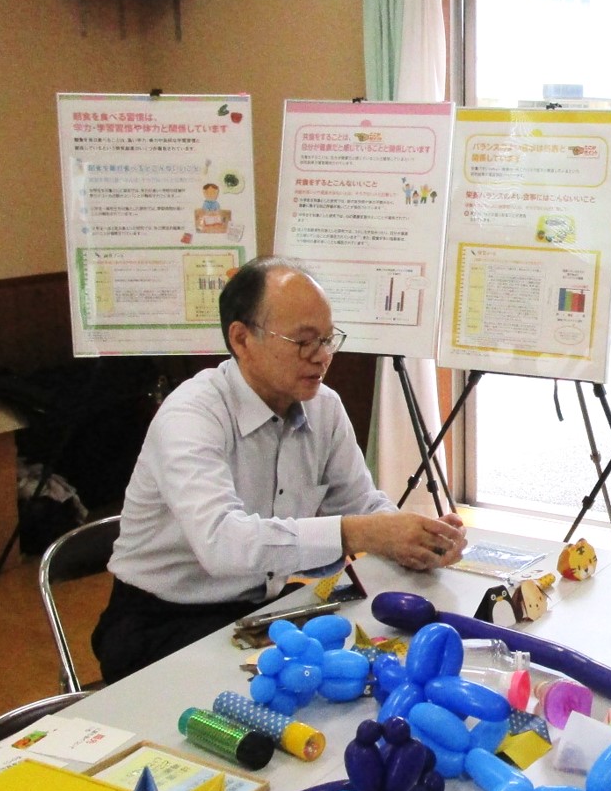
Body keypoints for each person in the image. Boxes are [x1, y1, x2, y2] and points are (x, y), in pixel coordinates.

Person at [90, 257, 466, 683]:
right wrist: (358, 533)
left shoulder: (324, 408)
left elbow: (362, 504)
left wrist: (418, 538)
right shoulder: (191, 415)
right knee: (295, 689)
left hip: (257, 608)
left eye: (327, 339)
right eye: (302, 341)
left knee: (369, 661)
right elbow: (223, 543)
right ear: (241, 338)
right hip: (162, 620)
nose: (322, 357)